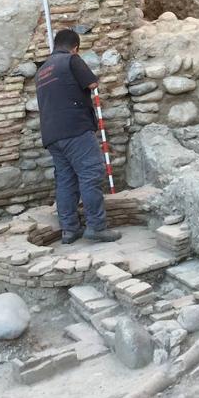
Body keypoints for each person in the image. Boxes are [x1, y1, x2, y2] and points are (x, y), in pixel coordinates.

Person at [35, 29, 121, 244]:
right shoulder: (71, 60)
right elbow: (92, 84)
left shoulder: (42, 70)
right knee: (90, 173)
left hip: (52, 134)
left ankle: (69, 230)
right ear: (75, 46)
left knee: (65, 180)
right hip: (75, 129)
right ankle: (96, 227)